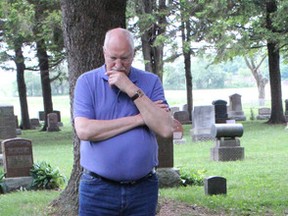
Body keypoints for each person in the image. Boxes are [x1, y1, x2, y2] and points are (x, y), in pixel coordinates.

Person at [73, 27, 174, 216]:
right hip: (98, 190)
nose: (118, 65)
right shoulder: (86, 82)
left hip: (143, 190)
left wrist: (131, 88)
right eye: (113, 58)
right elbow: (85, 130)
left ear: (133, 55)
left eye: (124, 58)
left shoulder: (150, 82)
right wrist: (140, 118)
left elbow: (166, 128)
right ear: (104, 52)